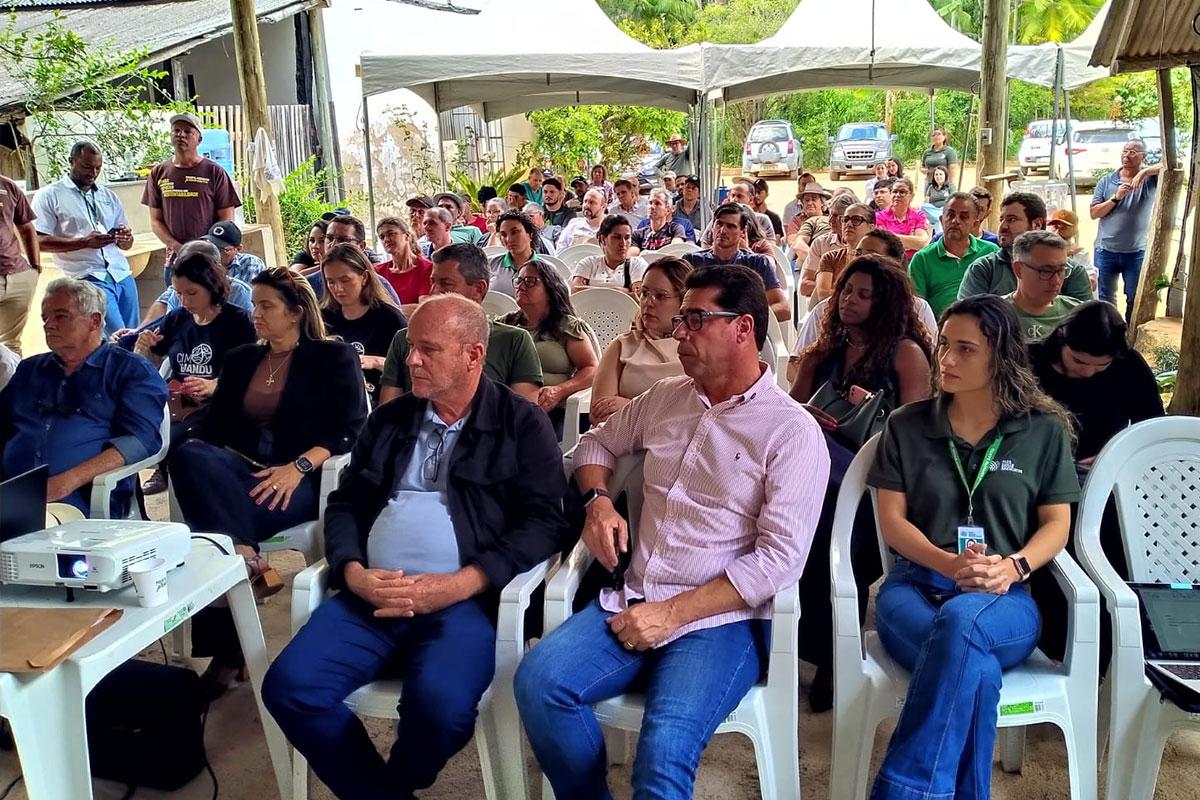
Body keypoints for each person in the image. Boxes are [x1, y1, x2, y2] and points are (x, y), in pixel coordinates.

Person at [515, 264, 830, 800]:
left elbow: (779, 560)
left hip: (719, 622)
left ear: (744, 328)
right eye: (680, 319)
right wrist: (597, 504)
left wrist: (671, 615)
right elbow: (593, 446)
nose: (679, 332)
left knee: (662, 757)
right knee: (538, 684)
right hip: (633, 597)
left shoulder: (791, 431)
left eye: (695, 319)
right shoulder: (665, 398)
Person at [263, 293, 566, 800]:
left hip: (461, 603)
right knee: (290, 689)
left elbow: (544, 523)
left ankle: (390, 786)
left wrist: (464, 583)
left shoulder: (520, 422)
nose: (411, 360)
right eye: (409, 348)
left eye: (428, 349)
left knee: (442, 708)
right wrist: (353, 571)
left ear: (472, 355)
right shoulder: (391, 420)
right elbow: (346, 505)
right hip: (370, 596)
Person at [865, 294, 1079, 800]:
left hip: (1004, 599)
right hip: (913, 589)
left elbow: (1057, 524)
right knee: (973, 668)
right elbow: (892, 523)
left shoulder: (1042, 430)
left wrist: (1013, 567)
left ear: (1001, 355)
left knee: (964, 625)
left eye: (966, 349)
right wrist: (947, 563)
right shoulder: (907, 424)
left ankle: (905, 791)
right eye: (944, 346)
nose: (947, 360)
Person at [170, 267, 368, 696]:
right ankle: (245, 553)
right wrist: (183, 434)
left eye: (266, 306)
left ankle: (227, 650)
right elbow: (215, 424)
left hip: (301, 481)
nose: (255, 313)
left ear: (295, 312)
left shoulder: (332, 357)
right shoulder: (242, 359)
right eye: (254, 305)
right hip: (242, 476)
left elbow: (351, 429)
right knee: (187, 455)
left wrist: (296, 468)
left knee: (208, 532)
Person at [789, 256, 934, 711]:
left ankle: (838, 656)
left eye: (863, 294)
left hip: (875, 483)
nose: (849, 300)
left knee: (837, 541)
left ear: (885, 303)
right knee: (800, 537)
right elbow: (785, 413)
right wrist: (805, 414)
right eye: (847, 290)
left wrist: (873, 408)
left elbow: (917, 431)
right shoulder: (823, 353)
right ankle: (814, 650)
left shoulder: (905, 354)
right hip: (818, 473)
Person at [1, 278, 166, 516]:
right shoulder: (30, 370)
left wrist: (66, 481)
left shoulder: (129, 370)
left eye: (61, 316)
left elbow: (140, 440)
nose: (49, 325)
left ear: (94, 321)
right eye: (45, 318)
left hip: (77, 500)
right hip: (13, 494)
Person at [132, 251, 255, 494]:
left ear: (211, 286)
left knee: (182, 441)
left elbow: (249, 371)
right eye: (178, 293)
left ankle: (174, 473)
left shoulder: (237, 322)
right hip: (179, 401)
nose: (185, 300)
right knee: (138, 432)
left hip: (219, 404)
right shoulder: (178, 319)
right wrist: (143, 346)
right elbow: (154, 360)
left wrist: (215, 385)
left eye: (191, 292)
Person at [381, 244, 542, 404]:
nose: (434, 292)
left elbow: (524, 420)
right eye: (432, 282)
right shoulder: (406, 339)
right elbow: (386, 416)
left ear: (479, 289)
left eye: (446, 284)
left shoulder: (513, 341)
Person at [1029, 300, 1163, 466]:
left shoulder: (1129, 365)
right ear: (1060, 337)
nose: (1088, 372)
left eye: (1102, 365)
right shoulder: (1029, 361)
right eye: (1078, 361)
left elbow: (1152, 427)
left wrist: (1118, 456)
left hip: (1104, 469)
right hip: (1033, 466)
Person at [33, 140, 137, 338]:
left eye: (98, 168)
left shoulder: (108, 195)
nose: (93, 173)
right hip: (87, 276)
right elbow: (38, 241)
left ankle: (127, 369)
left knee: (134, 334)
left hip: (120, 273)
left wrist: (125, 238)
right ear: (72, 161)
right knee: (119, 337)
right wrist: (83, 242)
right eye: (87, 166)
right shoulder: (50, 196)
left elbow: (127, 243)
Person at [792, 229, 939, 365]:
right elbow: (793, 366)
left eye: (871, 255)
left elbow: (933, 367)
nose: (861, 260)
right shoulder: (827, 309)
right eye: (858, 253)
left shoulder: (918, 310)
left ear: (896, 266)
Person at [589, 257, 691, 424]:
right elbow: (598, 415)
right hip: (621, 444)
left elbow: (696, 416)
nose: (648, 303)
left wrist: (630, 406)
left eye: (660, 296)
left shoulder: (696, 347)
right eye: (644, 293)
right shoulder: (622, 346)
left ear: (683, 301)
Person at [500, 262, 598, 435]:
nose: (522, 286)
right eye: (519, 280)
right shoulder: (505, 324)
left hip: (550, 411)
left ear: (550, 289)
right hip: (504, 407)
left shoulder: (566, 327)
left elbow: (591, 369)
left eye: (530, 281)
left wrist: (559, 391)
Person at [141, 112, 240, 281]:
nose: (181, 135)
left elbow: (227, 221)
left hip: (209, 263)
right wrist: (178, 247)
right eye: (176, 130)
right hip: (175, 263)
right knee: (177, 305)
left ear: (199, 139)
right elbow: (156, 221)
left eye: (188, 131)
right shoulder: (158, 173)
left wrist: (206, 249)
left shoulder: (215, 172)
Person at [958, 192, 1093, 302]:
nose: (1003, 227)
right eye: (1002, 220)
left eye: (1012, 220)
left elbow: (1086, 327)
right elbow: (966, 322)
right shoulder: (983, 270)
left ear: (1037, 224)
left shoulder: (1071, 272)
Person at [320, 243, 408, 405]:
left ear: (365, 277)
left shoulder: (390, 319)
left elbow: (409, 368)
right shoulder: (323, 316)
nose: (338, 289)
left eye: (345, 280)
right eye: (330, 282)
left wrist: (375, 362)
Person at [1089, 138, 1163, 320]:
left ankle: (1130, 335)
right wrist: (1116, 197)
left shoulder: (1150, 181)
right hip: (1105, 250)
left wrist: (1144, 172)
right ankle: (1111, 337)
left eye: (1133, 152)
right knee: (1105, 299)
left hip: (1136, 251)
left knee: (1134, 296)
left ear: (1142, 156)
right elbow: (1094, 213)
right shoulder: (1107, 181)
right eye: (1124, 151)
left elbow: (1173, 164)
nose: (1127, 156)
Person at [685, 205, 790, 322]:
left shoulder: (757, 263)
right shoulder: (692, 261)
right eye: (719, 224)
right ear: (712, 227)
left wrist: (740, 320)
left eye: (731, 226)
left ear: (743, 232)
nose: (722, 231)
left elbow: (783, 309)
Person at [907, 192, 1001, 318]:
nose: (955, 221)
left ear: (975, 224)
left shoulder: (991, 252)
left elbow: (1000, 298)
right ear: (941, 220)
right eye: (950, 215)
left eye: (963, 217)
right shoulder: (922, 259)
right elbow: (916, 308)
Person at [1005, 230, 1083, 342]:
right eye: (1046, 271)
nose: (1056, 281)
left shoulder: (1077, 314)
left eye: (1061, 270)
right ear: (1019, 270)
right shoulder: (994, 315)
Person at [0, 162, 40, 355]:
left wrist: (35, 267)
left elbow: (26, 228)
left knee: (11, 346)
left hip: (18, 276)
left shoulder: (7, 186)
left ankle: (13, 385)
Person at [813, 202, 875, 304]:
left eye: (856, 220)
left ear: (871, 227)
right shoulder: (831, 258)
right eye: (845, 220)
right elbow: (823, 295)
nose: (848, 224)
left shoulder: (879, 259)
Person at [572, 215, 647, 295]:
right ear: (603, 239)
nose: (623, 244)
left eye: (627, 238)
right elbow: (575, 289)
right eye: (617, 237)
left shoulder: (637, 264)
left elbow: (639, 295)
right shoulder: (589, 263)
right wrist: (619, 291)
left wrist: (591, 289)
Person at [800, 194, 855, 303]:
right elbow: (804, 286)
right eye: (830, 214)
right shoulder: (821, 243)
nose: (830, 220)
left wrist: (829, 285)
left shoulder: (866, 245)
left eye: (836, 216)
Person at [374, 216, 433, 310]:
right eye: (382, 237)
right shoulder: (378, 271)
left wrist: (388, 311)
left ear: (406, 236)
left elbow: (424, 308)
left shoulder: (427, 268)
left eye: (391, 234)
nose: (386, 239)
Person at [488, 210, 546, 298]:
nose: (509, 239)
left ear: (530, 234)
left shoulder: (546, 269)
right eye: (503, 234)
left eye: (514, 232)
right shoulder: (489, 265)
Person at [874, 177, 930, 260]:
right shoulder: (879, 216)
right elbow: (882, 243)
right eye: (895, 191)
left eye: (902, 192)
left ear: (911, 196)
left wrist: (891, 237)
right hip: (889, 261)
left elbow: (922, 243)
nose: (897, 195)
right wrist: (912, 241)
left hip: (913, 262)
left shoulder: (918, 215)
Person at [1046, 208, 1096, 292]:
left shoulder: (1080, 254)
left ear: (1074, 231)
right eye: (1055, 227)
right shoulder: (1042, 250)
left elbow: (1092, 283)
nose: (1057, 232)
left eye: (1064, 227)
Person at [785, 181, 833, 261]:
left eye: (814, 199)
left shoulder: (830, 218)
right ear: (803, 203)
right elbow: (792, 241)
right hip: (802, 260)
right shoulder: (797, 220)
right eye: (807, 200)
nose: (810, 203)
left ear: (822, 203)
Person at [630, 188, 687, 254]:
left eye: (657, 203)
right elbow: (632, 256)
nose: (652, 207)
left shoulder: (676, 229)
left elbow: (675, 251)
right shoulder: (638, 234)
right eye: (650, 203)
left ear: (668, 210)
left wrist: (648, 253)